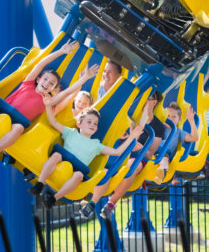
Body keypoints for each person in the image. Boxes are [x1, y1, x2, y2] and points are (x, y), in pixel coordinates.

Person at [0, 40, 99, 165]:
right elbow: (40, 65)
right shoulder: (28, 83)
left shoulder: (48, 101)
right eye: (45, 79)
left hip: (17, 122)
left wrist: (85, 78)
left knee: (19, 129)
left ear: (53, 89)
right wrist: (61, 52)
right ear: (38, 79)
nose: (47, 83)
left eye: (52, 83)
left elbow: (67, 92)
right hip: (4, 109)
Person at [30, 100, 143, 210]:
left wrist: (132, 137)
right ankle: (39, 183)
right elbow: (52, 122)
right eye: (89, 122)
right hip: (62, 159)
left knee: (79, 175)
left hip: (77, 168)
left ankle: (54, 198)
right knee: (56, 156)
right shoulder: (71, 132)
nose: (92, 125)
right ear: (79, 124)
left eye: (95, 123)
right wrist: (48, 106)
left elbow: (117, 152)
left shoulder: (96, 144)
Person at [79, 91, 166, 219]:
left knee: (129, 166)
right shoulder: (123, 124)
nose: (144, 101)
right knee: (104, 171)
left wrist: (139, 146)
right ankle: (91, 202)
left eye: (148, 98)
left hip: (135, 157)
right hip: (117, 155)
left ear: (154, 102)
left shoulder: (155, 126)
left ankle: (111, 203)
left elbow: (148, 149)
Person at [154, 102, 199, 184]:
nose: (170, 118)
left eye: (174, 117)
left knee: (164, 158)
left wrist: (191, 121)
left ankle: (161, 173)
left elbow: (194, 138)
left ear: (179, 119)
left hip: (164, 154)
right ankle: (168, 176)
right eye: (168, 116)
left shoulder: (178, 133)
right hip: (151, 152)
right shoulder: (159, 126)